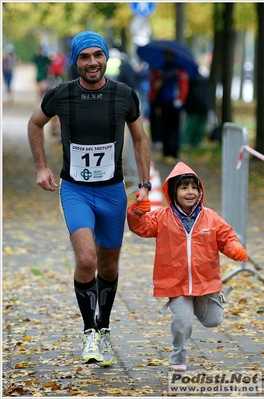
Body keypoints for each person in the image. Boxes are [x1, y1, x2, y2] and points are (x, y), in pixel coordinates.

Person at [28, 31, 151, 367]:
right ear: (76, 61)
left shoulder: (124, 95)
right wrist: (42, 167)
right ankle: (89, 332)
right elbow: (35, 124)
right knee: (86, 261)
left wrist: (145, 183)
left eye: (98, 55)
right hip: (76, 190)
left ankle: (105, 327)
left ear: (105, 58)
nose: (92, 62)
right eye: (85, 57)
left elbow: (140, 140)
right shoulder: (61, 95)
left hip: (113, 192)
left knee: (109, 264)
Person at [127, 161, 248, 371]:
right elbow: (142, 228)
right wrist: (137, 212)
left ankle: (201, 304)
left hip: (205, 281)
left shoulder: (210, 217)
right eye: (184, 187)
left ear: (200, 191)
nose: (190, 192)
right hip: (176, 283)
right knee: (183, 323)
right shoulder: (162, 217)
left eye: (194, 187)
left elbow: (226, 236)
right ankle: (179, 358)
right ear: (173, 192)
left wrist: (234, 247)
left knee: (213, 320)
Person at [149, 52, 189, 163]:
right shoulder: (162, 70)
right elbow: (155, 84)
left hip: (175, 103)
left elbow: (183, 86)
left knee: (175, 129)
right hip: (164, 102)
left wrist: (180, 99)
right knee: (164, 128)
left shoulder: (179, 70)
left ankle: (174, 153)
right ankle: (166, 152)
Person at [182, 72, 213, 148]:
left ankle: (186, 141)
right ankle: (197, 141)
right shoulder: (205, 80)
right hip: (204, 106)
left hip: (194, 106)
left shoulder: (190, 80)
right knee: (200, 126)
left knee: (191, 125)